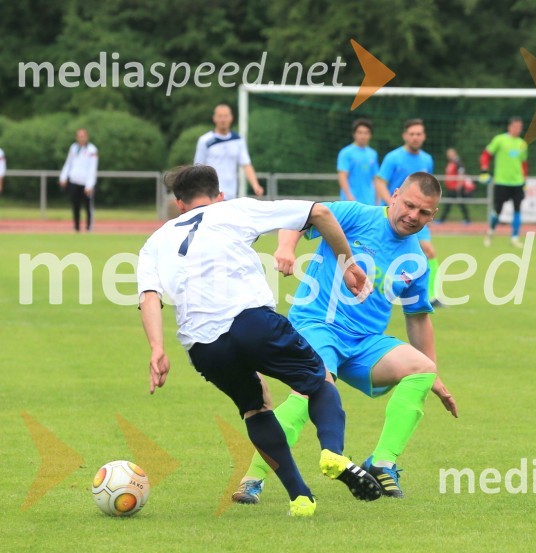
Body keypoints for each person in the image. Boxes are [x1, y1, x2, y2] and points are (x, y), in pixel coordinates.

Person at [137, 165, 381, 517]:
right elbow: (320, 212)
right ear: (219, 195)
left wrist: (157, 349)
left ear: (179, 204)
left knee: (256, 408)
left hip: (203, 346)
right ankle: (333, 453)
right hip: (252, 321)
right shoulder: (234, 208)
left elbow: (149, 295)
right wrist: (348, 263)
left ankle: (300, 498)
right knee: (319, 382)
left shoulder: (155, 240)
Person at [234, 172, 457, 503]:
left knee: (421, 369)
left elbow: (419, 320)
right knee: (309, 392)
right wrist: (285, 247)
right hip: (316, 325)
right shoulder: (356, 215)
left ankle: (382, 463)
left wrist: (434, 374)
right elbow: (298, 216)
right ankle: (252, 479)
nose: (413, 216)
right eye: (409, 205)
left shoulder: (417, 261)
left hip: (364, 343)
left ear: (433, 214)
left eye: (424, 212)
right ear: (394, 196)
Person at [374, 119, 442, 306]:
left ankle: (431, 296)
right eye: (412, 134)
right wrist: (393, 203)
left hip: (417, 216)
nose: (415, 137)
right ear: (405, 135)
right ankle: (383, 289)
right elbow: (380, 182)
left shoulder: (427, 159)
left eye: (419, 134)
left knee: (429, 251)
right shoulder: (393, 158)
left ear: (424, 136)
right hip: (397, 215)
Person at [194, 104, 264, 200]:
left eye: (226, 116)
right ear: (214, 118)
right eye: (220, 116)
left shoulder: (238, 140)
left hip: (231, 194)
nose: (223, 119)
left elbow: (246, 164)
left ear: (231, 118)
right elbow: (198, 167)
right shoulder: (205, 140)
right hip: (211, 194)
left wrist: (256, 185)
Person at [481, 117, 528, 248]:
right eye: (516, 126)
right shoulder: (500, 140)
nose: (519, 129)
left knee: (517, 210)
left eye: (520, 127)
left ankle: (514, 237)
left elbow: (524, 164)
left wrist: (525, 180)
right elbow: (485, 155)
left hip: (518, 183)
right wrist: (484, 170)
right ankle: (490, 232)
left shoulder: (522, 144)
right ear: (510, 126)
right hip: (501, 182)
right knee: (498, 210)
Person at [59, 128, 98, 233]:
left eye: (82, 136)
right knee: (75, 205)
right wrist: (63, 177)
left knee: (88, 207)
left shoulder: (92, 150)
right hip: (74, 180)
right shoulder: (73, 148)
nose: (80, 138)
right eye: (79, 136)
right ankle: (76, 228)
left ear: (86, 137)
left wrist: (89, 185)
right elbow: (68, 163)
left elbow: (92, 168)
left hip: (85, 182)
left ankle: (89, 228)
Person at [337, 119, 378, 205]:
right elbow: (342, 176)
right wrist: (348, 195)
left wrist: (377, 198)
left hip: (369, 200)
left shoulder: (372, 154)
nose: (363, 136)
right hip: (350, 201)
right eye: (360, 132)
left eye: (366, 133)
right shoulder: (346, 152)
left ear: (370, 135)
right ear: (354, 134)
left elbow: (375, 178)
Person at [438, 148, 473, 224]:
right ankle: (442, 219)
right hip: (451, 188)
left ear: (454, 153)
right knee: (450, 204)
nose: (449, 156)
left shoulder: (458, 162)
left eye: (450, 154)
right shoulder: (451, 163)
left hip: (456, 188)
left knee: (458, 204)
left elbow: (462, 173)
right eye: (448, 154)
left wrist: (459, 185)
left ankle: (467, 220)